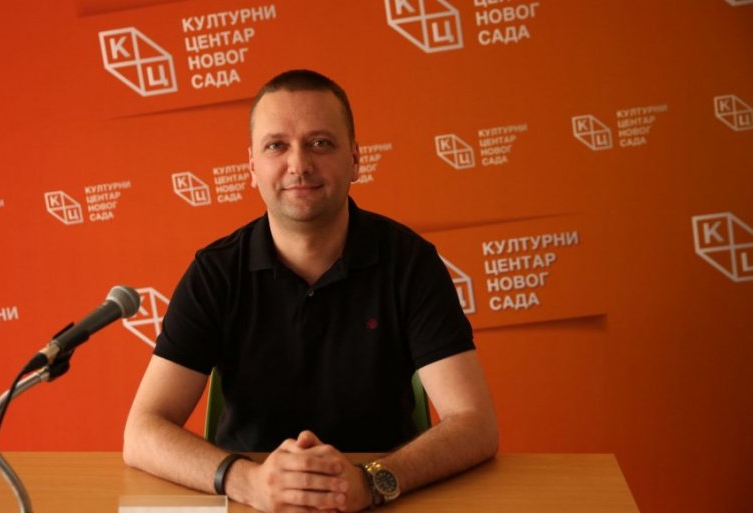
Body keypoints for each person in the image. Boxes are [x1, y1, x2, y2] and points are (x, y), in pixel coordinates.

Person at [123, 69, 498, 513]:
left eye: (320, 143)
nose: (299, 165)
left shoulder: (410, 262)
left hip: (382, 500)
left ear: (355, 159)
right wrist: (248, 481)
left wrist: (371, 482)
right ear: (252, 166)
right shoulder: (216, 272)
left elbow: (475, 423)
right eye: (276, 145)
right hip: (251, 502)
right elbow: (142, 432)